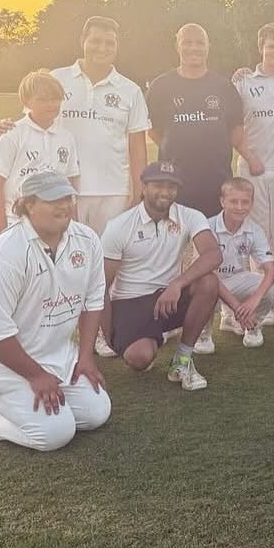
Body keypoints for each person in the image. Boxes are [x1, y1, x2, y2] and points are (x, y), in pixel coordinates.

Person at [0, 171, 111, 449]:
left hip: (50, 350)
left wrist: (86, 356)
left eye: (67, 198)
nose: (64, 206)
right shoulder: (1, 257)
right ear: (28, 204)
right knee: (54, 434)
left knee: (96, 413)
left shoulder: (87, 240)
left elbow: (92, 300)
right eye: (53, 199)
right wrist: (36, 375)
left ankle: (11, 404)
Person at [0, 14, 149, 233]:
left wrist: (139, 193)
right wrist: (5, 125)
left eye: (109, 43)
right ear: (83, 41)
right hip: (58, 190)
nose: (102, 48)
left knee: (106, 257)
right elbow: (31, 119)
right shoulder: (57, 78)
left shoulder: (130, 90)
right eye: (95, 41)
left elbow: (138, 147)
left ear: (116, 46)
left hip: (112, 191)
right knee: (66, 255)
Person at [100, 161, 223, 391]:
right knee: (139, 359)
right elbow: (100, 286)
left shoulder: (189, 215)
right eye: (158, 185)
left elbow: (213, 254)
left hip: (169, 297)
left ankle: (182, 360)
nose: (165, 192)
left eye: (171, 186)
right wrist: (108, 333)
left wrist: (177, 283)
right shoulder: (119, 226)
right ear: (144, 187)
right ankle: (154, 337)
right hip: (130, 302)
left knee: (208, 282)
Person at [230, 23, 274, 325]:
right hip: (253, 170)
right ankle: (260, 297)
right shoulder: (243, 82)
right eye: (272, 45)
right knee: (255, 237)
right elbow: (233, 127)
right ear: (261, 46)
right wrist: (250, 156)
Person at [146, 24, 251, 218]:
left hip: (217, 183)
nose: (194, 48)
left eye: (199, 43)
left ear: (208, 46)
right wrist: (177, 147)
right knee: (175, 244)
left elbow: (236, 131)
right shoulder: (160, 87)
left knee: (214, 245)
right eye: (187, 42)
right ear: (177, 46)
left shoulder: (224, 87)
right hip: (174, 184)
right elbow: (153, 130)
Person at [0, 70, 80, 232]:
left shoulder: (66, 137)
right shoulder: (12, 133)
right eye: (42, 100)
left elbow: (70, 183)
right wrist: (1, 228)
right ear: (27, 102)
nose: (51, 105)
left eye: (55, 99)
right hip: (17, 221)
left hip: (55, 223)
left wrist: (73, 224)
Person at [201, 177, 274, 352]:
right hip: (209, 283)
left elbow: (271, 271)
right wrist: (236, 307)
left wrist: (253, 301)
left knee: (273, 288)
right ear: (222, 201)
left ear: (252, 203)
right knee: (204, 286)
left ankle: (252, 326)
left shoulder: (254, 230)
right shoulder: (207, 226)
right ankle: (204, 334)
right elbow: (205, 273)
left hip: (236, 279)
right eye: (233, 201)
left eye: (245, 202)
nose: (239, 207)